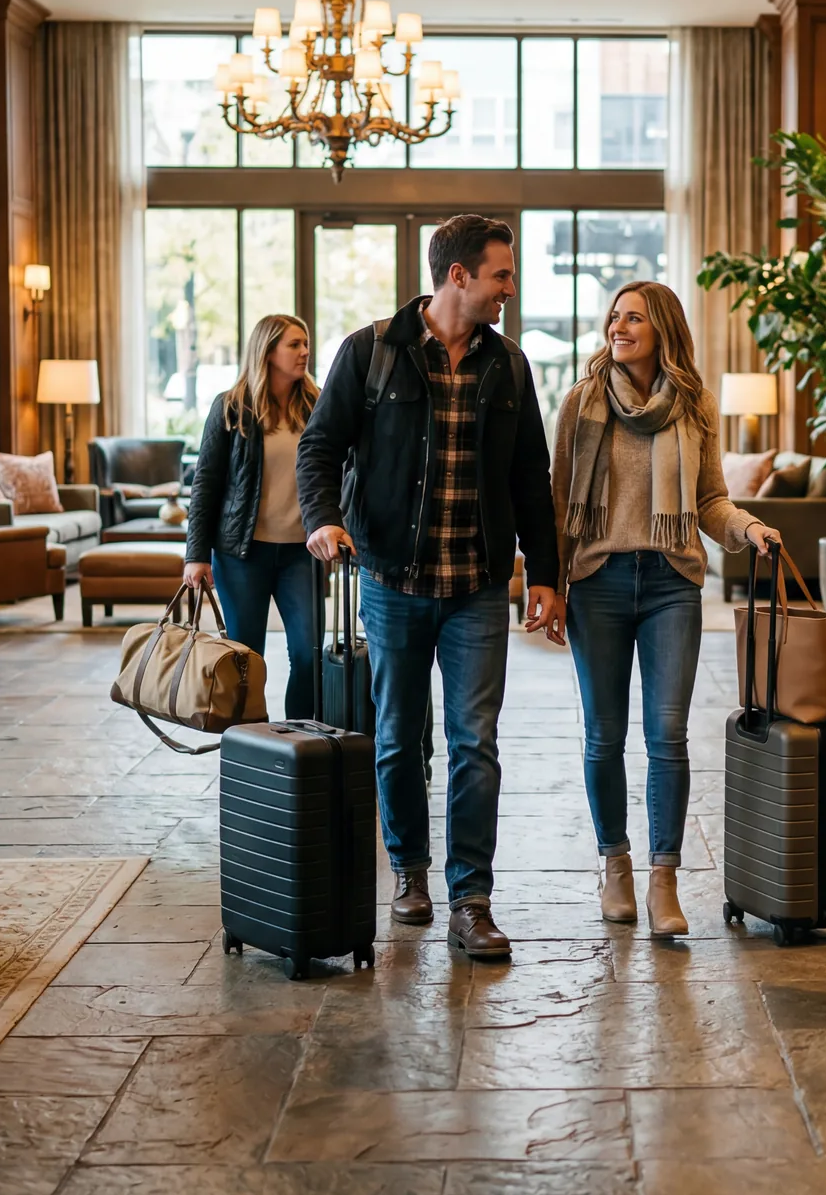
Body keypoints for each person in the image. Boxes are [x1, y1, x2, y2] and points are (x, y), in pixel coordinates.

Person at [296, 214, 563, 962]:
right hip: (392, 581)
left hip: (477, 585)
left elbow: (530, 479)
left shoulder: (509, 366)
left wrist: (545, 573)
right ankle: (409, 873)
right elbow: (319, 448)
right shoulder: (371, 352)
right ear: (458, 276)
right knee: (396, 739)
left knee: (475, 742)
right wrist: (321, 520)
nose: (510, 289)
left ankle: (471, 900)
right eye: (501, 276)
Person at [554, 282, 779, 936]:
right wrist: (547, 584)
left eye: (633, 318)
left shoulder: (694, 405)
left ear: (662, 330)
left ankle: (663, 880)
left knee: (667, 735)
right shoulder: (580, 403)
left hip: (671, 582)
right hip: (596, 580)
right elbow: (558, 500)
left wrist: (747, 529)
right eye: (615, 316)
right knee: (604, 735)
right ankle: (615, 866)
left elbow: (709, 500)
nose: (618, 327)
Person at [183, 314, 318, 720]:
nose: (304, 352)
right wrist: (196, 554)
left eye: (306, 343)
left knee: (310, 654)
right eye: (294, 344)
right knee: (244, 662)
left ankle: (301, 743)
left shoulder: (318, 404)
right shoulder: (230, 408)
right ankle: (250, 750)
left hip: (302, 553)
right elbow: (205, 484)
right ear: (268, 350)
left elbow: (341, 472)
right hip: (242, 554)